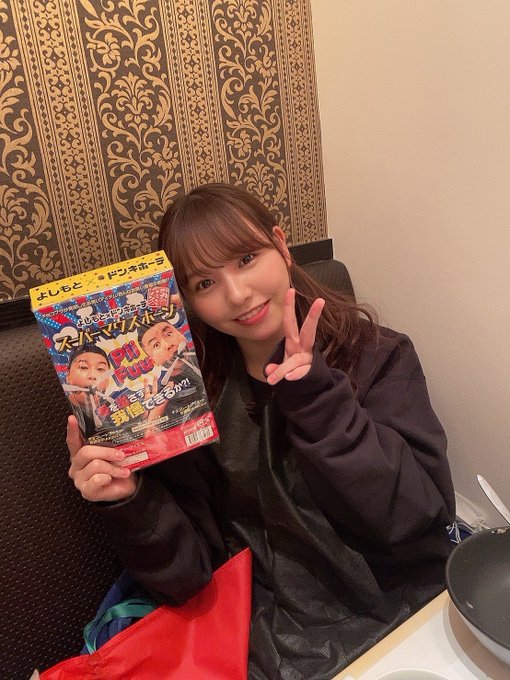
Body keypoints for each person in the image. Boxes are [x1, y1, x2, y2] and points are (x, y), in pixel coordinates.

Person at [68, 183, 456, 679]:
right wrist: (130, 500)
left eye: (247, 258)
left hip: (405, 609)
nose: (237, 294)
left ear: (281, 244)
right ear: (186, 301)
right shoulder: (187, 401)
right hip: (270, 630)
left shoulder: (377, 355)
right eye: (204, 283)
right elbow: (189, 578)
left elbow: (419, 516)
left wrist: (319, 400)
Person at [136, 313, 211, 427]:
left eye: (169, 334)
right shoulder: (160, 396)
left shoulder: (210, 350)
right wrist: (152, 422)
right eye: (156, 345)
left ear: (181, 333)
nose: (168, 345)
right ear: (152, 360)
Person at [64, 344, 111, 439]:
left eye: (100, 369)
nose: (92, 376)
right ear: (68, 375)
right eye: (84, 367)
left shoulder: (117, 408)